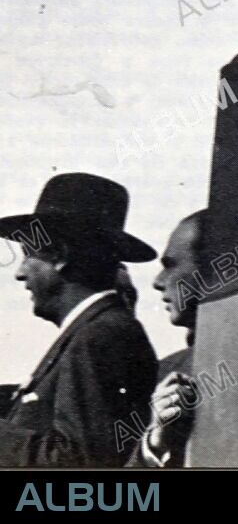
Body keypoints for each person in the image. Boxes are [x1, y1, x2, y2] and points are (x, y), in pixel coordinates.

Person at [0, 173, 158, 467]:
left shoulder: (99, 336)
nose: (20, 273)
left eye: (28, 255)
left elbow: (78, 461)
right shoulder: (96, 330)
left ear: (59, 256)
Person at [133, 209, 208, 468]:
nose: (157, 281)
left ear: (212, 269)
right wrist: (156, 446)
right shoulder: (165, 372)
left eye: (170, 265)